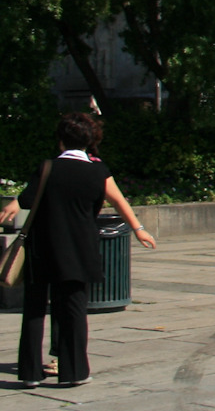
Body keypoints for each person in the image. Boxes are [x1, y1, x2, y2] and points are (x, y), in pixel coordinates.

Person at [1, 113, 158, 388]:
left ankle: (29, 372)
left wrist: (14, 203)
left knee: (35, 310)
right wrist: (138, 229)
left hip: (42, 248)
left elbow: (26, 199)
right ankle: (73, 371)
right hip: (79, 249)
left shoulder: (47, 168)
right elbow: (118, 199)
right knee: (73, 311)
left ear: (61, 141)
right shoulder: (98, 171)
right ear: (89, 141)